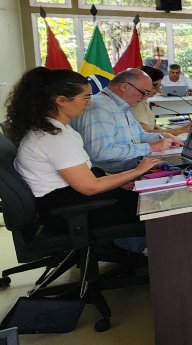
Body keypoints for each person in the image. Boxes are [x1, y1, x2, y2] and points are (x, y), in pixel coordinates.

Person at [8, 67, 161, 253]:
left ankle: (132, 251)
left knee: (144, 194)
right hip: (68, 212)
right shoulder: (54, 138)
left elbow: (85, 172)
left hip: (67, 202)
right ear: (62, 101)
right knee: (153, 204)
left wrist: (118, 181)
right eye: (85, 98)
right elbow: (90, 187)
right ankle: (136, 254)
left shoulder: (56, 129)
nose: (90, 103)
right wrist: (137, 171)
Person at [70, 68, 182, 173]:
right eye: (143, 92)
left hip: (132, 170)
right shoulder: (99, 108)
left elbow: (139, 136)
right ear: (124, 87)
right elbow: (100, 152)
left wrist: (162, 137)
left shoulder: (122, 105)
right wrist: (151, 147)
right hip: (111, 177)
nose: (145, 97)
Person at [132, 66, 189, 137]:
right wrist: (181, 130)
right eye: (156, 85)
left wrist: (174, 134)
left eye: (159, 85)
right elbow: (145, 135)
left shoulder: (143, 100)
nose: (159, 89)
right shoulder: (135, 103)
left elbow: (154, 127)